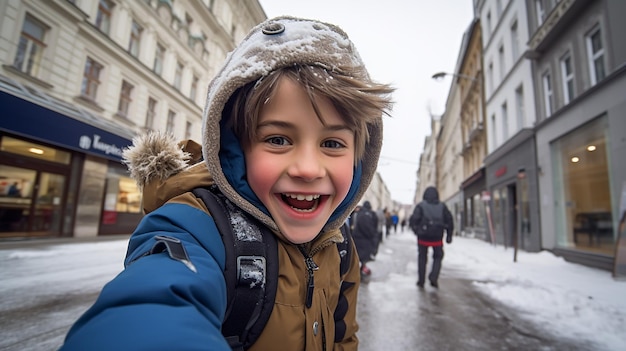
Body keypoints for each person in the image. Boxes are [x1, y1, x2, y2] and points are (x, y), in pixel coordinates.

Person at [59, 16, 393, 351]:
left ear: (358, 159)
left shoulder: (340, 243)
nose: (308, 169)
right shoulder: (197, 227)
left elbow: (343, 335)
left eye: (332, 144)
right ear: (237, 149)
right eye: (278, 139)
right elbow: (149, 308)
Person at [410, 186, 454, 289]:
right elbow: (449, 220)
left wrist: (417, 231)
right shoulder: (442, 206)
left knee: (422, 258)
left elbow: (414, 220)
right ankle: (433, 277)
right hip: (437, 238)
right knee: (438, 257)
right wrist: (449, 235)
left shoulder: (421, 206)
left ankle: (421, 281)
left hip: (423, 237)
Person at [352, 201, 379, 278]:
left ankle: (360, 270)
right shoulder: (366, 214)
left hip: (359, 239)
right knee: (361, 257)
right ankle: (359, 272)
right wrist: (372, 235)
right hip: (363, 240)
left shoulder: (361, 213)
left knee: (359, 257)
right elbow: (367, 228)